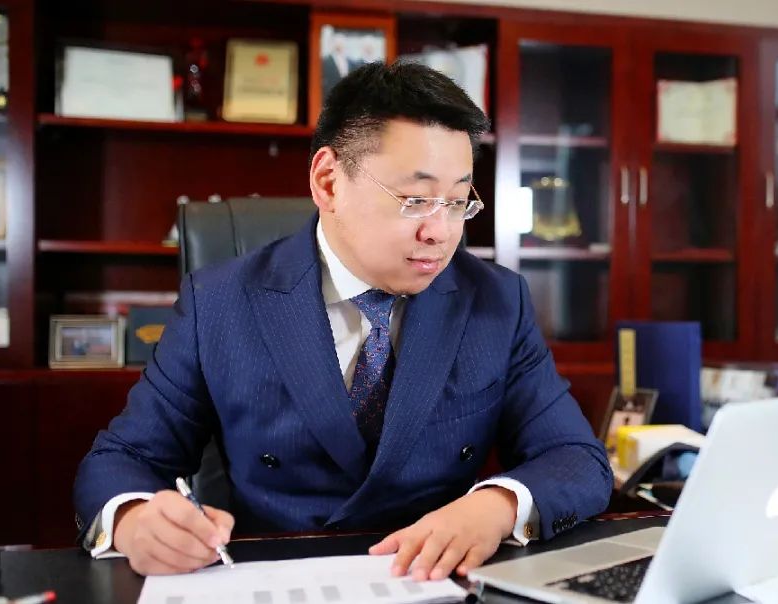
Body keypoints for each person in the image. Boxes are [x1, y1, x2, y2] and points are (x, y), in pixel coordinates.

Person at [73, 61, 612, 579]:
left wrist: (496, 506)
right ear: (329, 182)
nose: (440, 233)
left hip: (429, 581)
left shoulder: (495, 300)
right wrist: (133, 519)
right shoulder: (220, 303)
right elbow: (122, 458)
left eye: (455, 202)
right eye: (416, 199)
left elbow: (576, 458)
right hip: (274, 581)